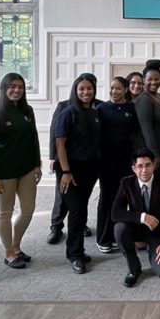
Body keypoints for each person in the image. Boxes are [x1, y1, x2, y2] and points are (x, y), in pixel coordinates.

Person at [0, 73, 42, 269]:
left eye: (20, 87)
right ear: (4, 88)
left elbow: (34, 138)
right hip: (4, 172)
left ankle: (16, 246)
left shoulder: (27, 110)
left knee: (28, 210)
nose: (16, 90)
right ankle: (9, 253)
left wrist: (37, 164)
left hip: (27, 170)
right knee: (5, 213)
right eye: (12, 86)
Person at [112, 149, 160, 287]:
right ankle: (134, 269)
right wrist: (142, 217)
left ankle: (151, 246)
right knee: (119, 228)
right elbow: (115, 213)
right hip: (138, 228)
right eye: (140, 166)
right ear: (134, 169)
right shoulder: (126, 183)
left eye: (148, 165)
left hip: (159, 232)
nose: (144, 170)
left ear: (154, 165)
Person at [46, 72, 100, 244]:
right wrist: (60, 165)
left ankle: (78, 239)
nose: (86, 92)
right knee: (67, 202)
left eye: (90, 88)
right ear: (75, 90)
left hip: (89, 166)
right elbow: (57, 138)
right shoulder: (66, 109)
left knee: (80, 206)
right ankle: (57, 228)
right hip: (68, 166)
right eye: (82, 88)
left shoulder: (96, 110)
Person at [96, 76, 138, 253]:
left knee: (122, 197)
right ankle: (103, 237)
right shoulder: (101, 109)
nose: (114, 91)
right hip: (106, 161)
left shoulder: (131, 108)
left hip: (125, 160)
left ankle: (116, 235)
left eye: (118, 88)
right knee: (107, 197)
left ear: (126, 90)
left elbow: (135, 132)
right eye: (112, 88)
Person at [135, 59, 160, 172]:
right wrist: (154, 154)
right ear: (144, 80)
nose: (153, 82)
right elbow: (146, 129)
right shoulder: (144, 99)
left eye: (156, 79)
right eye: (149, 79)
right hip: (150, 152)